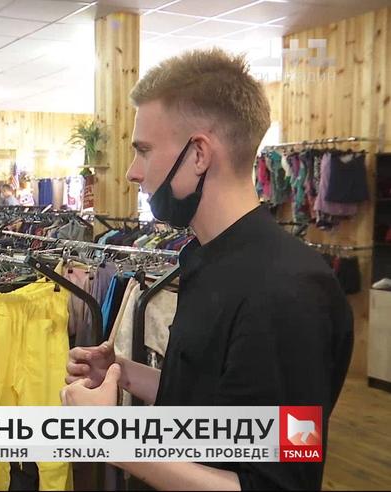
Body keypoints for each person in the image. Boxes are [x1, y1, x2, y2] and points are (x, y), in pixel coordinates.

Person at [61, 49, 353, 490]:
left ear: (198, 154)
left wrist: (111, 441)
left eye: (144, 151)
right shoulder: (204, 257)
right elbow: (213, 401)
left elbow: (276, 481)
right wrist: (123, 372)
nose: (132, 172)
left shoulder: (288, 291)